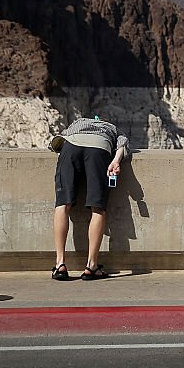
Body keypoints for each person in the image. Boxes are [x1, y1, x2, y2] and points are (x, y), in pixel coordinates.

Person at [49, 115, 130, 281]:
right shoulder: (113, 128)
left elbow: (58, 141)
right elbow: (122, 143)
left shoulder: (78, 122)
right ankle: (91, 266)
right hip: (99, 148)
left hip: (71, 145)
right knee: (98, 208)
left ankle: (60, 264)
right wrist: (115, 161)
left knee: (63, 205)